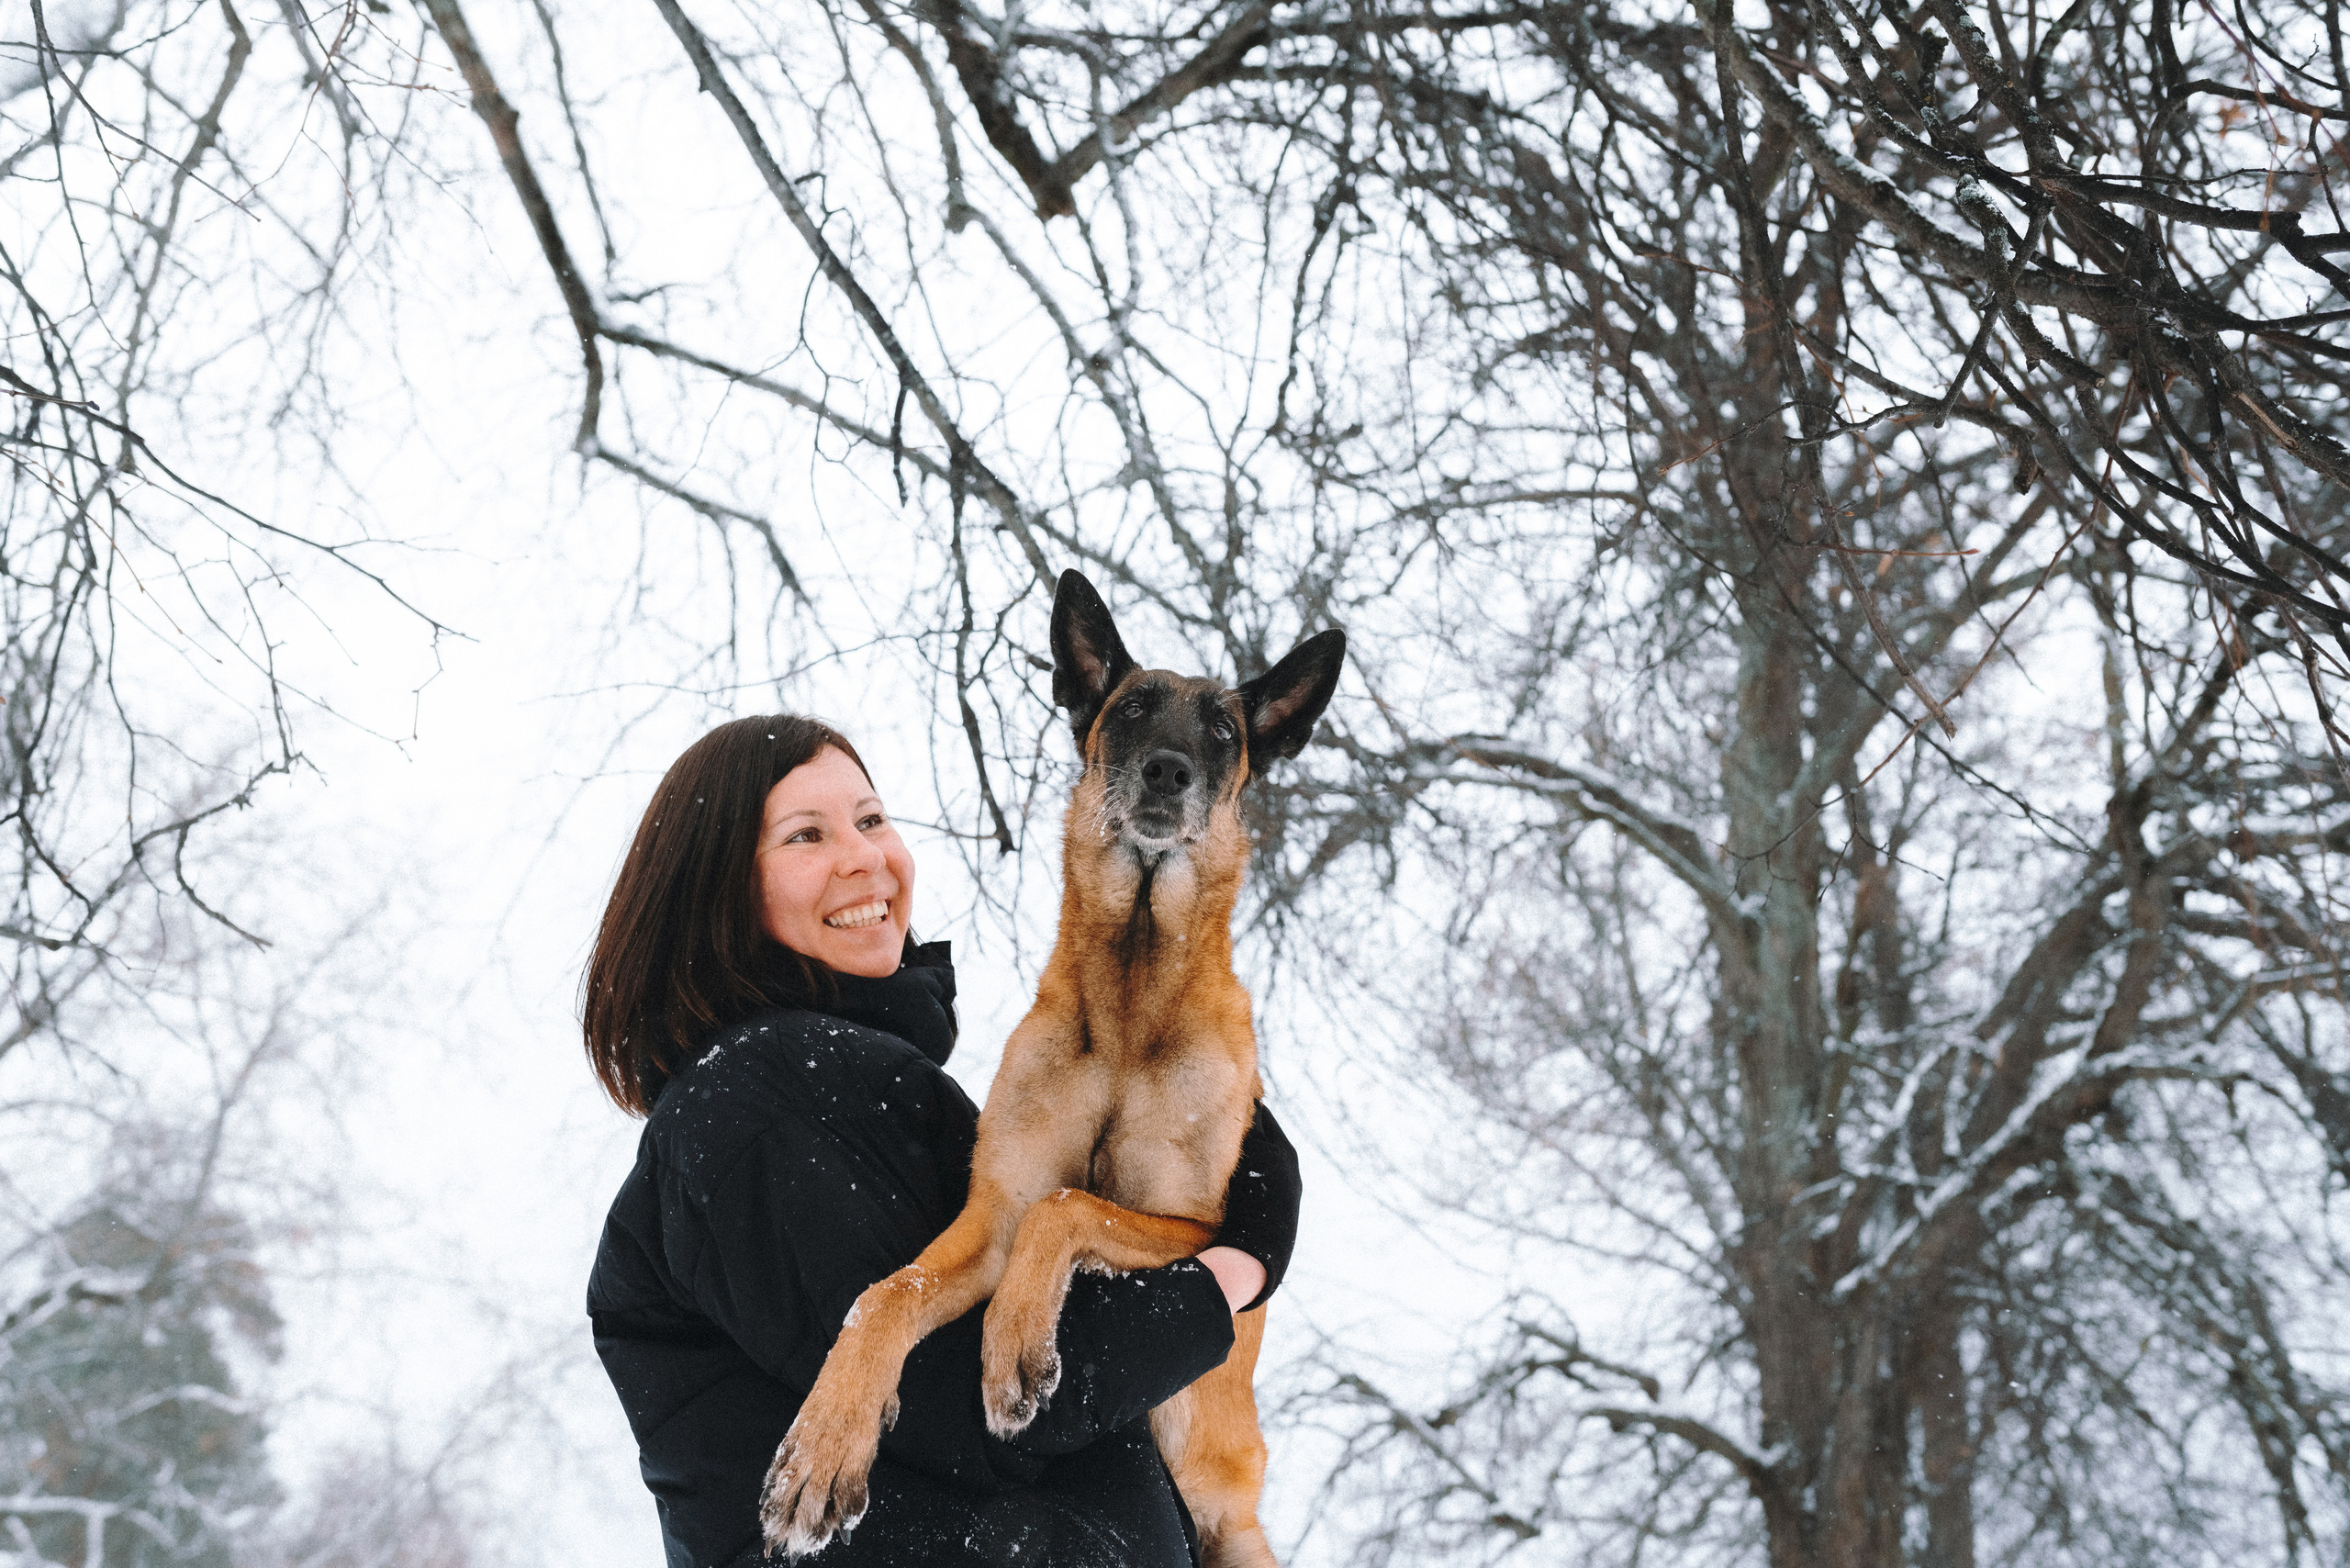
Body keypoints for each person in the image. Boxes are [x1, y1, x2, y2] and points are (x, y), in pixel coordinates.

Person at [583, 715, 1302, 1568]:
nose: (863, 857)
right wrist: (1230, 1269)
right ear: (718, 889)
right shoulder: (752, 1096)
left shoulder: (868, 1088)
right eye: (807, 835)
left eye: (872, 819)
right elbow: (993, 1402)